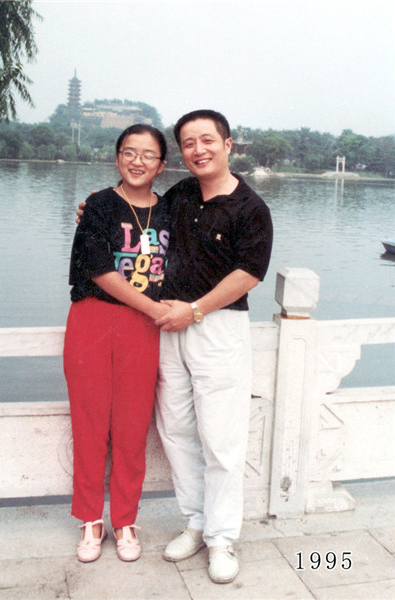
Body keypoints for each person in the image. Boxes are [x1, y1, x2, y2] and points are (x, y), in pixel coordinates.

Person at [76, 110, 273, 583]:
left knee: (220, 438)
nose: (198, 150)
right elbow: (131, 208)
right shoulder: (181, 195)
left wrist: (197, 309)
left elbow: (250, 273)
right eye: (188, 143)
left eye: (208, 140)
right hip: (166, 325)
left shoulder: (251, 207)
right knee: (177, 430)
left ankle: (222, 538)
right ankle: (195, 523)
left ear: (229, 144)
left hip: (216, 326)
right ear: (180, 154)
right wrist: (93, 209)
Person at [63, 124, 170, 564]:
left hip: (143, 331)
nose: (138, 161)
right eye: (129, 152)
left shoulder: (173, 210)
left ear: (162, 165)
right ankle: (91, 519)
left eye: (148, 154)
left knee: (131, 427)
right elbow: (97, 267)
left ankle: (125, 519)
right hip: (94, 319)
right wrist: (153, 307)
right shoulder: (101, 206)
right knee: (89, 423)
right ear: (117, 158)